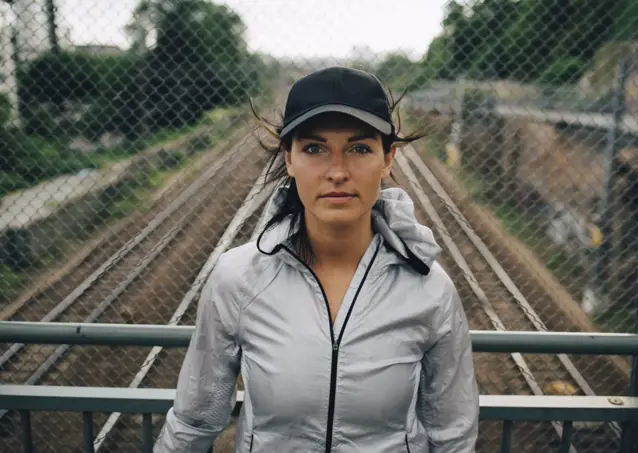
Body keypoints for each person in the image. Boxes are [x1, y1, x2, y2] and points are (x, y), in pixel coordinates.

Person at [153, 66, 479, 453]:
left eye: (359, 148)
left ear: (387, 159)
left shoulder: (430, 288)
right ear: (288, 159)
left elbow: (453, 434)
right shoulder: (238, 279)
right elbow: (194, 420)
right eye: (313, 149)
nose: (338, 172)